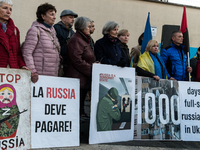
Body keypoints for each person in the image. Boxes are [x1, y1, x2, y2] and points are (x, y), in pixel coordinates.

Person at [66, 17, 96, 118]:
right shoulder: (76, 40)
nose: (90, 28)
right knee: (77, 110)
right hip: (77, 79)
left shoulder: (84, 39)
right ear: (82, 27)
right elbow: (77, 60)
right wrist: (92, 69)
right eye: (88, 26)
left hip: (82, 79)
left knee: (81, 109)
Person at [22, 3, 60, 83]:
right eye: (51, 14)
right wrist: (33, 71)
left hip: (52, 76)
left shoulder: (53, 31)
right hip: (39, 77)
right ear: (43, 16)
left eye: (54, 14)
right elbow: (27, 52)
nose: (54, 17)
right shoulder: (35, 30)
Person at [0, 0, 28, 69]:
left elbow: (17, 53)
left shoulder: (15, 30)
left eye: (10, 9)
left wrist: (22, 65)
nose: (8, 12)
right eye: (5, 8)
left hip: (12, 71)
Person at [54, 9, 78, 76]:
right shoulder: (56, 28)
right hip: (58, 64)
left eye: (73, 18)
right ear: (63, 18)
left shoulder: (73, 32)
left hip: (68, 64)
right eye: (70, 17)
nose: (73, 19)